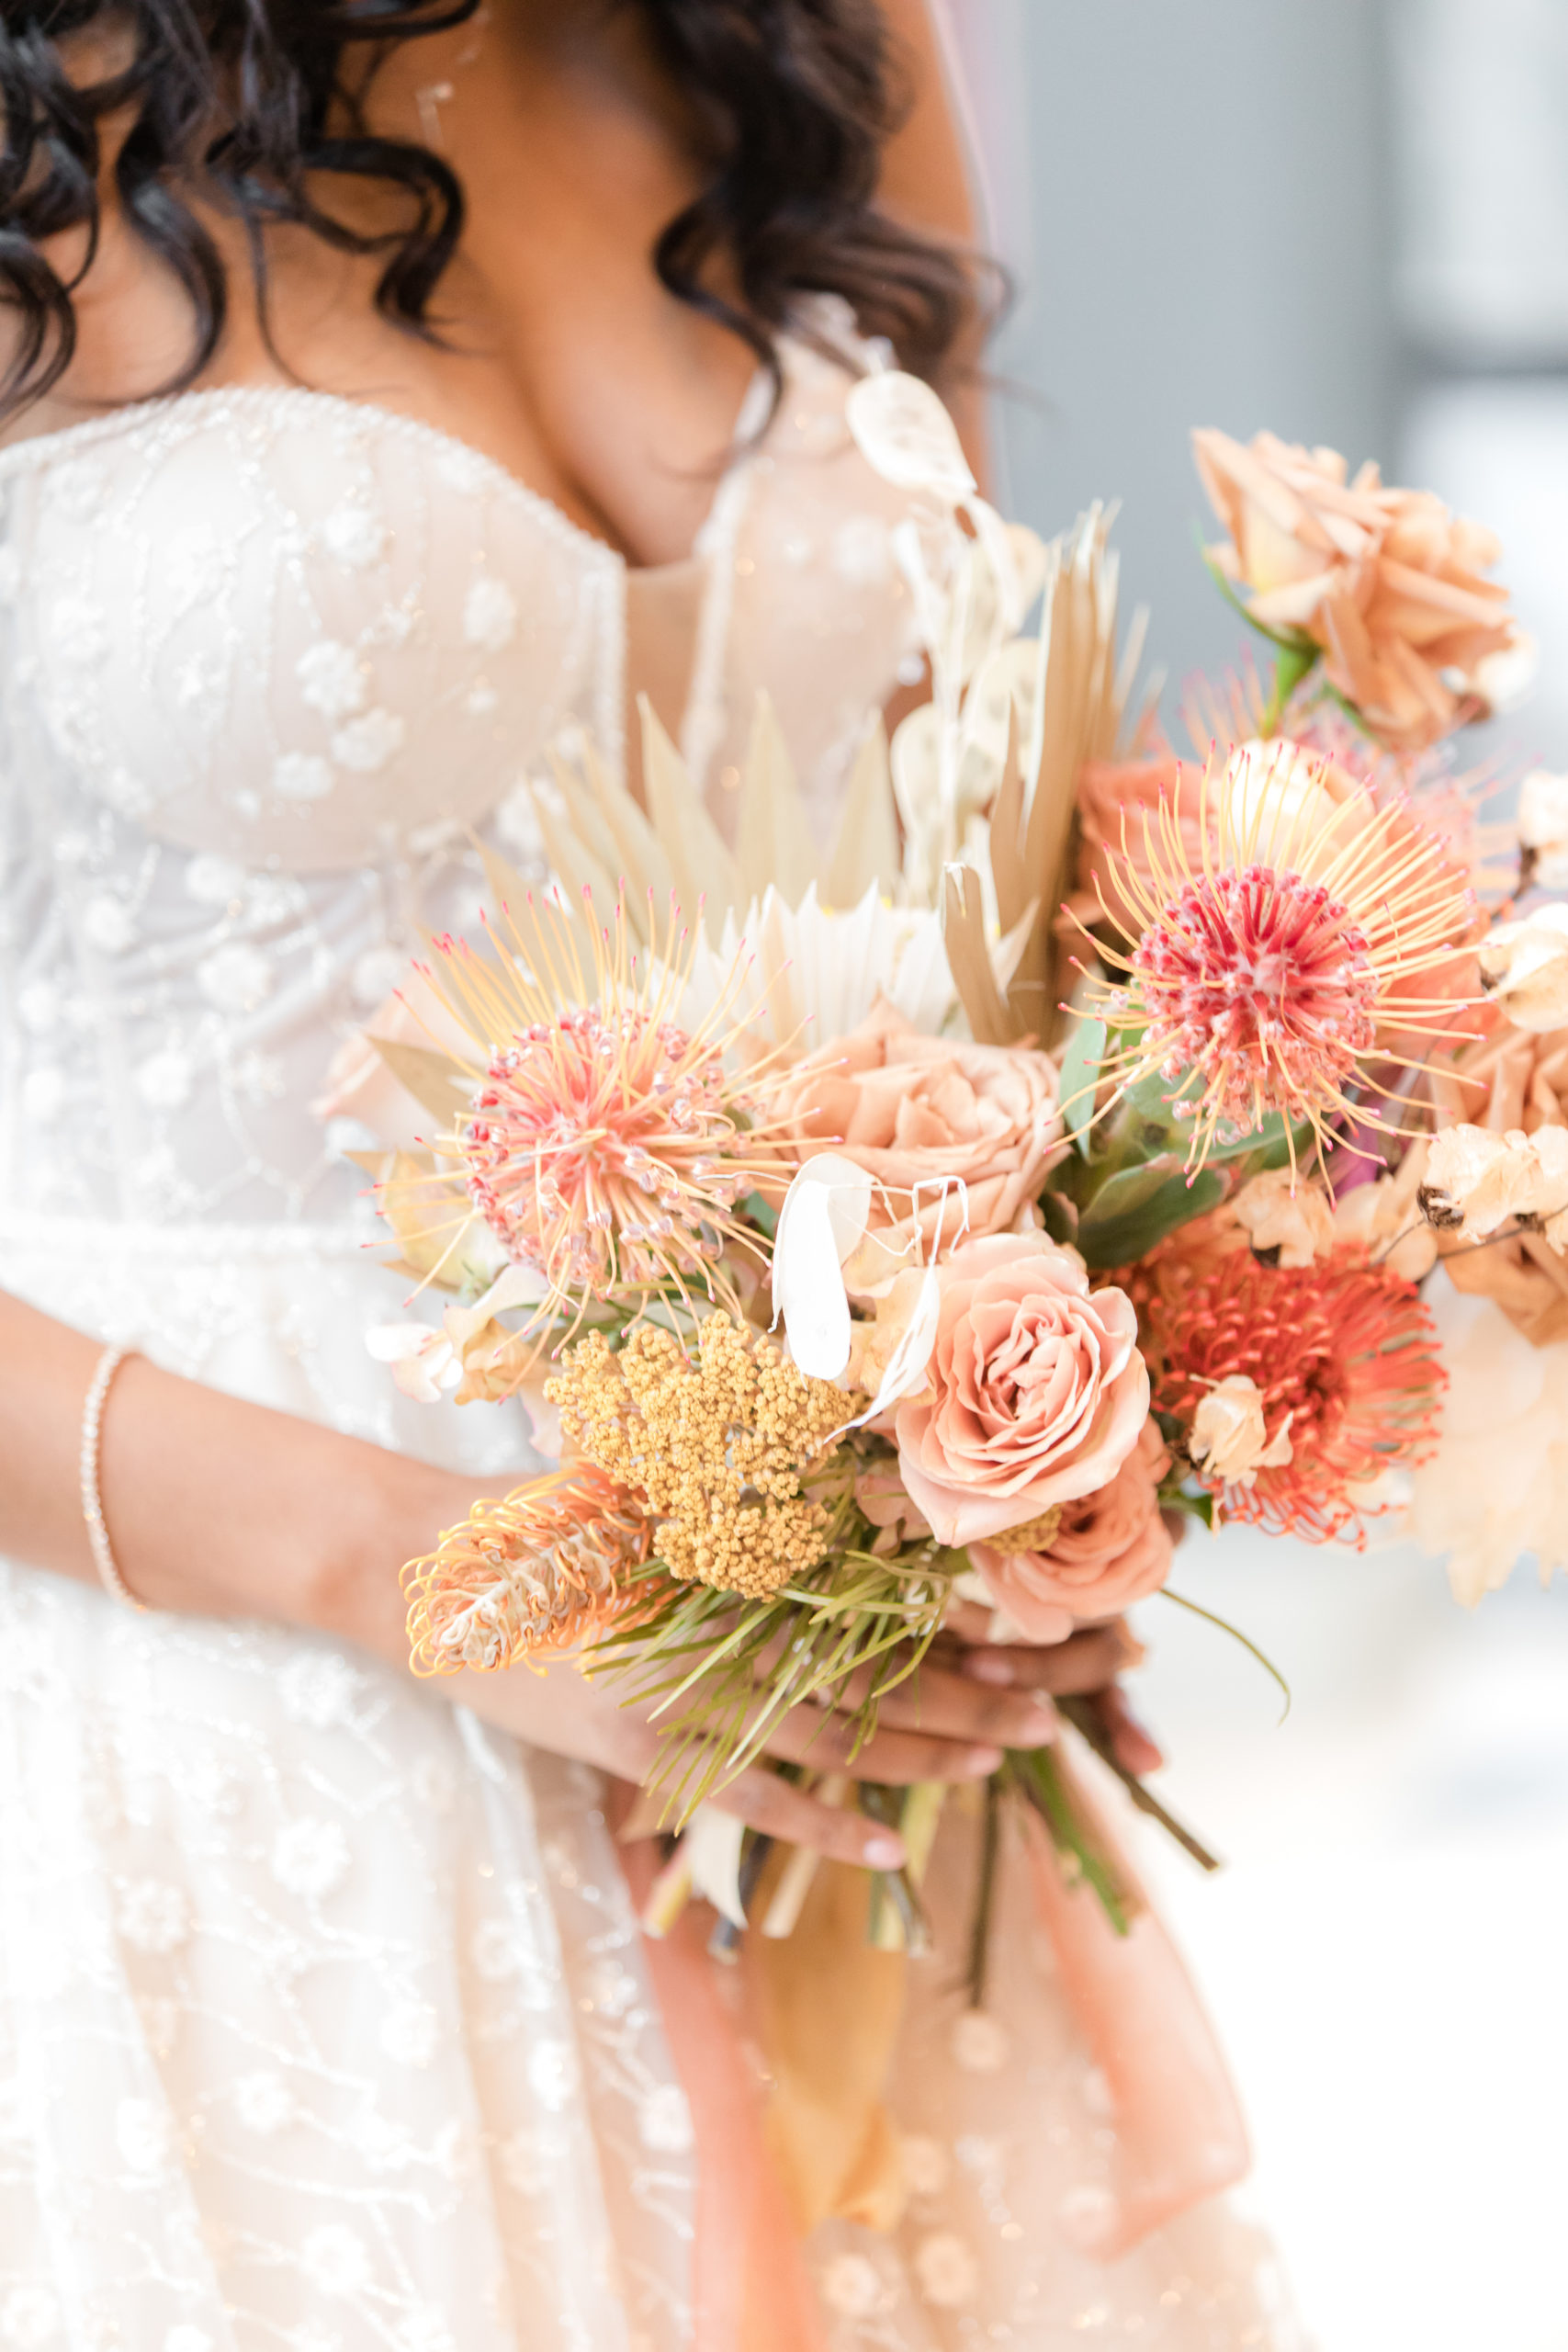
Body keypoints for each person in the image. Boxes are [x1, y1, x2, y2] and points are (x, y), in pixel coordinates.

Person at [0, 2, 1301, 2341]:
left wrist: (1061, 1400)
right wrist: (424, 1572)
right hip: (191, 1722)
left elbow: (976, 875)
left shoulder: (806, 39)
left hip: (821, 1707)